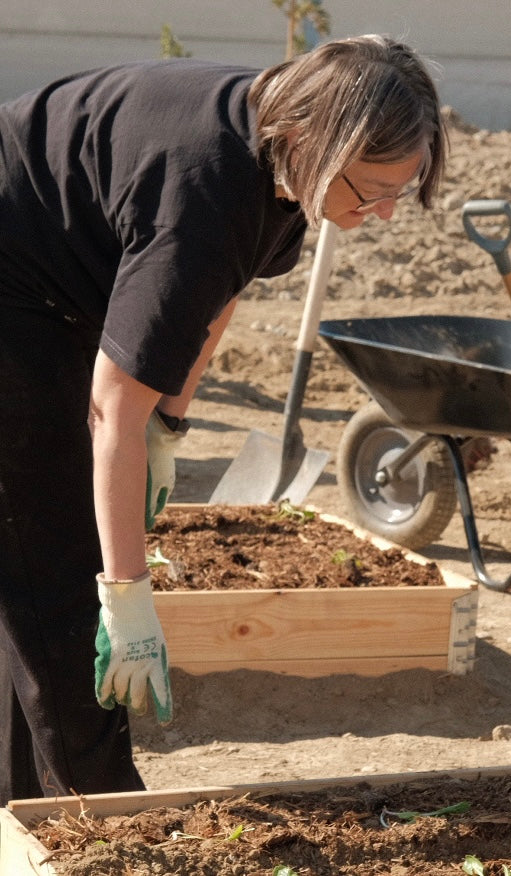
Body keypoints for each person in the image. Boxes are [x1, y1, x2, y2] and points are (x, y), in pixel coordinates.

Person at [0, 34, 447, 804]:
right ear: (311, 139)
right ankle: (103, 819)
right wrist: (127, 595)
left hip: (54, 271)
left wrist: (168, 426)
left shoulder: (281, 159)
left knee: (34, 565)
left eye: (397, 193)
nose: (379, 213)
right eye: (372, 189)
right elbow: (112, 406)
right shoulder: (206, 197)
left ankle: (23, 804)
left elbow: (218, 296)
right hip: (14, 277)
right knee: (55, 564)